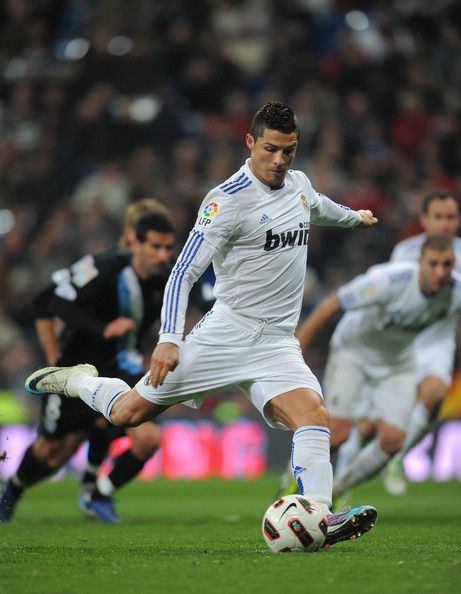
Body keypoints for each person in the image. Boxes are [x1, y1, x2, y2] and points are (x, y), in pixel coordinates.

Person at [24, 102, 379, 547]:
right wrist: (169, 339)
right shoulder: (225, 200)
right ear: (250, 142)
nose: (279, 161)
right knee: (129, 414)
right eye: (270, 149)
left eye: (288, 151)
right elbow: (183, 273)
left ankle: (320, 519)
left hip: (277, 344)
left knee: (314, 417)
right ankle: (79, 381)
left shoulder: (298, 184)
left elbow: (316, 206)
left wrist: (354, 218)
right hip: (226, 335)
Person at [0, 212, 175, 523]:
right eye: (155, 247)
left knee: (148, 438)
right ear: (135, 243)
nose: (162, 255)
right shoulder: (103, 267)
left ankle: (97, 494)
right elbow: (52, 302)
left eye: (167, 248)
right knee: (53, 452)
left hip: (123, 368)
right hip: (77, 371)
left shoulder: (168, 280)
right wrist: (101, 327)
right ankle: (13, 488)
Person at [295, 235, 461, 499]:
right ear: (420, 262)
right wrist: (298, 347)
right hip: (355, 351)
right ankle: (296, 481)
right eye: (433, 264)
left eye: (447, 265)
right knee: (337, 434)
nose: (440, 272)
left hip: (397, 361)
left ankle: (337, 489)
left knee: (394, 440)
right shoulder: (390, 281)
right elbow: (331, 304)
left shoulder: (455, 293)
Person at [381, 190, 461, 494]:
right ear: (424, 220)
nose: (444, 223)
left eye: (450, 217)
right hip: (403, 340)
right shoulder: (404, 252)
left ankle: (395, 457)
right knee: (375, 419)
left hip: (439, 344)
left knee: (435, 396)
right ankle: (346, 475)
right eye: (438, 217)